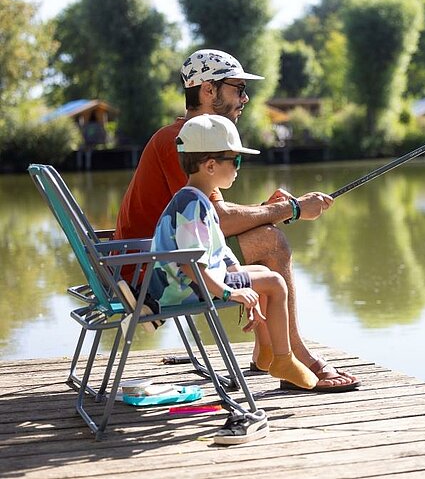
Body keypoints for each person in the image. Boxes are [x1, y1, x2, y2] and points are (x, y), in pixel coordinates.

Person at [115, 49, 359, 392]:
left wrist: (264, 210)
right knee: (271, 240)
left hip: (158, 259)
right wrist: (291, 209)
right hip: (151, 273)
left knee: (265, 231)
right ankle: (290, 353)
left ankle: (267, 351)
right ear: (207, 90)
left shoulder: (196, 138)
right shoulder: (181, 140)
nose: (245, 98)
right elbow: (219, 218)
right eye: (237, 88)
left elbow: (210, 220)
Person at [150, 114, 319, 443]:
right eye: (235, 159)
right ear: (210, 165)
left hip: (196, 281)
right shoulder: (191, 203)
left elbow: (219, 251)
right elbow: (191, 263)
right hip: (184, 289)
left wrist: (238, 278)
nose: (239, 167)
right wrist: (229, 292)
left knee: (265, 276)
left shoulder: (199, 198)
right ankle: (283, 359)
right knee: (276, 283)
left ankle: (271, 352)